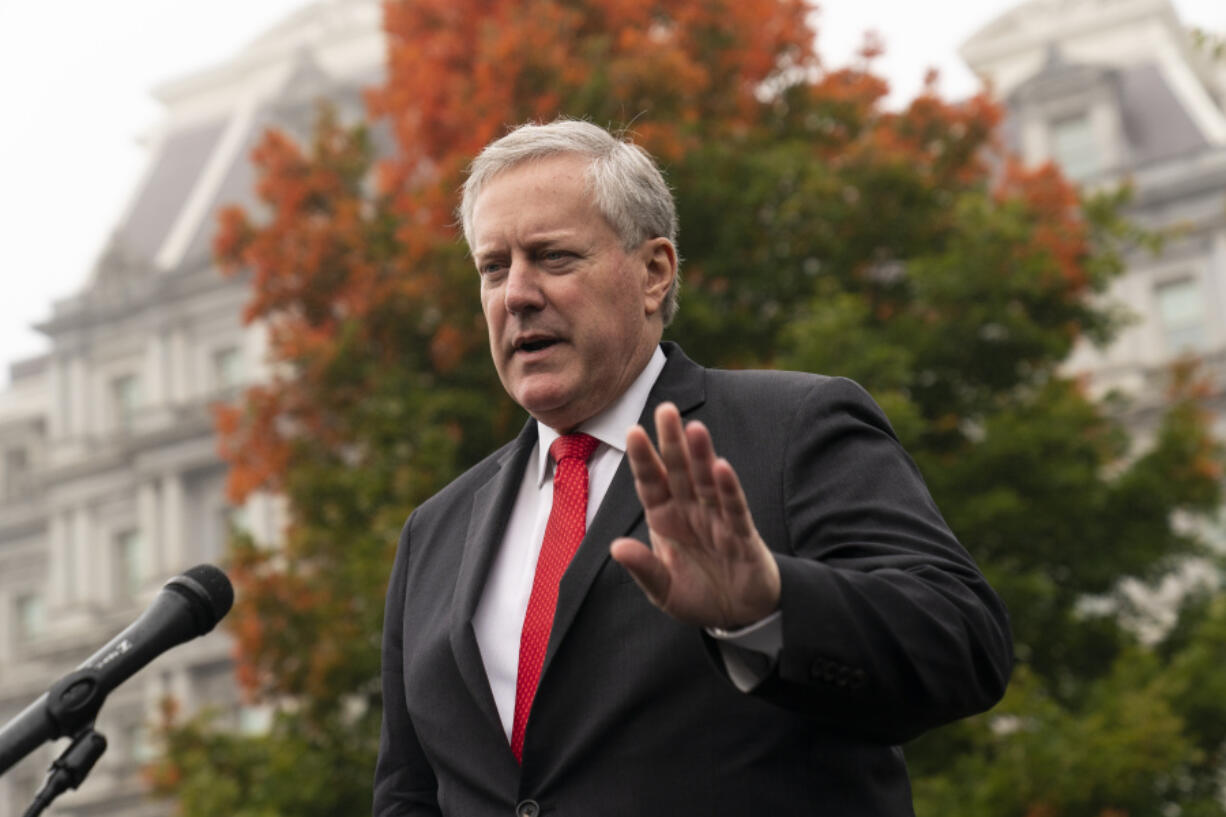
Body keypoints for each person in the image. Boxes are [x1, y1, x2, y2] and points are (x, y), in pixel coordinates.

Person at [373, 119, 1012, 817]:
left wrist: (769, 608)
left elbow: (963, 641)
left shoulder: (793, 429)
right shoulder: (433, 531)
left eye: (553, 257)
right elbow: (410, 791)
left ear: (654, 273)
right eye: (494, 267)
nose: (515, 294)